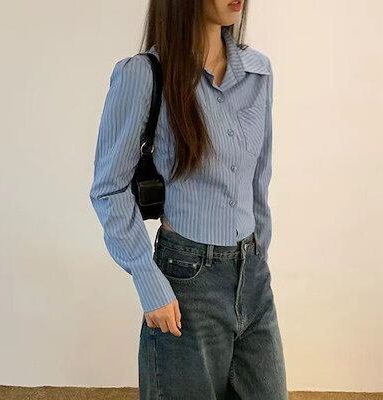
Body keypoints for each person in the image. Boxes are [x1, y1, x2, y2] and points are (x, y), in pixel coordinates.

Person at [89, 0, 288, 398]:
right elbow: (109, 189)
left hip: (252, 278)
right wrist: (149, 282)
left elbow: (259, 180)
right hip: (186, 282)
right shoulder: (145, 75)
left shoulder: (258, 72)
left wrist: (258, 262)